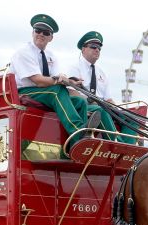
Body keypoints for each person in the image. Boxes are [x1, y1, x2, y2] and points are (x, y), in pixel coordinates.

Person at [9, 14, 100, 150]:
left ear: (51, 38)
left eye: (46, 32)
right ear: (33, 32)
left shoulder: (51, 56)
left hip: (45, 92)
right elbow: (39, 81)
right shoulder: (23, 52)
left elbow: (57, 78)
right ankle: (79, 133)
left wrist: (70, 82)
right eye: (38, 30)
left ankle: (72, 149)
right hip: (26, 91)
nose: (41, 34)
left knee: (80, 102)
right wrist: (59, 80)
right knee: (57, 91)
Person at [67, 31, 137, 144]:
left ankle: (128, 147)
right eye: (93, 46)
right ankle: (118, 145)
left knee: (132, 118)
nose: (97, 50)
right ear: (83, 49)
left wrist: (118, 111)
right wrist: (93, 104)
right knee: (100, 111)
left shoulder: (102, 73)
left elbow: (108, 99)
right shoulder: (74, 68)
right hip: (84, 106)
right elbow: (72, 94)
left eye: (99, 48)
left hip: (102, 106)